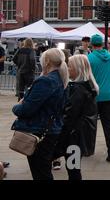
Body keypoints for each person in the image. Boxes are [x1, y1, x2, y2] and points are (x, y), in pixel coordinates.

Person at [11, 48, 68, 180]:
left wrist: (17, 107)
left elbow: (27, 109)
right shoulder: (61, 79)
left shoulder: (45, 81)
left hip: (39, 132)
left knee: (40, 173)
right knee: (43, 170)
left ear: (47, 61)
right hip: (51, 130)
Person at [55, 54, 98, 180]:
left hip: (73, 137)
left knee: (73, 170)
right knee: (73, 168)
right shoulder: (87, 86)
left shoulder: (78, 89)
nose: (67, 69)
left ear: (78, 69)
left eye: (69, 66)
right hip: (78, 136)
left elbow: (70, 115)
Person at [88, 34, 110, 162]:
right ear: (102, 44)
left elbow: (87, 78)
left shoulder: (89, 58)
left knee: (91, 124)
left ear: (91, 44)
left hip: (94, 96)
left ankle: (89, 149)